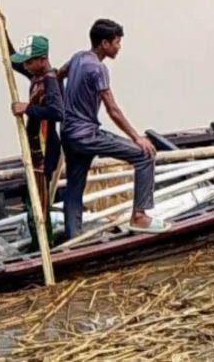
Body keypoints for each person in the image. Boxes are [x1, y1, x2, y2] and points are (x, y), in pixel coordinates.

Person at [58, 18, 168, 238]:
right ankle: (139, 216)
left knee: (74, 187)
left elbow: (58, 75)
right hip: (87, 135)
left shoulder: (78, 57)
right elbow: (113, 110)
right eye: (117, 42)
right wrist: (137, 137)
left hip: (68, 133)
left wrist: (62, 107)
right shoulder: (98, 69)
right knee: (144, 156)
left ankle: (73, 238)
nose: (119, 47)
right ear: (104, 44)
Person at [0, 10, 64, 214]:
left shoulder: (50, 80)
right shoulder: (35, 74)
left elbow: (58, 112)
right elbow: (13, 61)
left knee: (40, 202)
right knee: (33, 200)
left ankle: (45, 239)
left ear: (42, 60)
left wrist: (28, 108)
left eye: (29, 62)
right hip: (34, 149)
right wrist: (2, 30)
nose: (26, 66)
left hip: (46, 150)